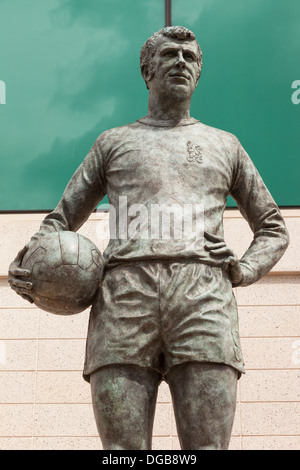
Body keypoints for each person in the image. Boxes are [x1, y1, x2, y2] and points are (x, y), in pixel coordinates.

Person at [8, 26, 289, 450]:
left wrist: (245, 268)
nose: (181, 62)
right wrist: (30, 261)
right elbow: (59, 221)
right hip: (124, 296)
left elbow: (272, 227)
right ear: (146, 70)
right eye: (171, 54)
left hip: (203, 295)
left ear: (198, 73)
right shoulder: (113, 143)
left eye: (190, 58)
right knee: (122, 453)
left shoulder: (224, 145)